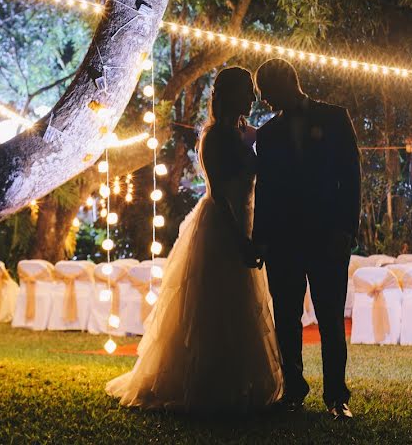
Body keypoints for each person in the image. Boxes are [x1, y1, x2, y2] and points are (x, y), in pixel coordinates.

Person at [106, 67, 283, 412]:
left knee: (240, 305)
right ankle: (204, 385)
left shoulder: (244, 132)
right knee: (214, 305)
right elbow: (219, 194)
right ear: (230, 94)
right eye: (247, 90)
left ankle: (235, 383)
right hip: (222, 225)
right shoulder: (215, 136)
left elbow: (271, 145)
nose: (252, 97)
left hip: (245, 221)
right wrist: (241, 240)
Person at [253, 58, 361, 420]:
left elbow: (351, 178)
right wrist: (261, 239)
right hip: (284, 241)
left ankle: (337, 397)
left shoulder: (335, 118)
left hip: (328, 236)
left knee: (331, 319)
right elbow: (265, 191)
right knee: (286, 318)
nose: (264, 101)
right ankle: (294, 390)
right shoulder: (266, 136)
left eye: (267, 92)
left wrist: (346, 230)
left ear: (287, 81)